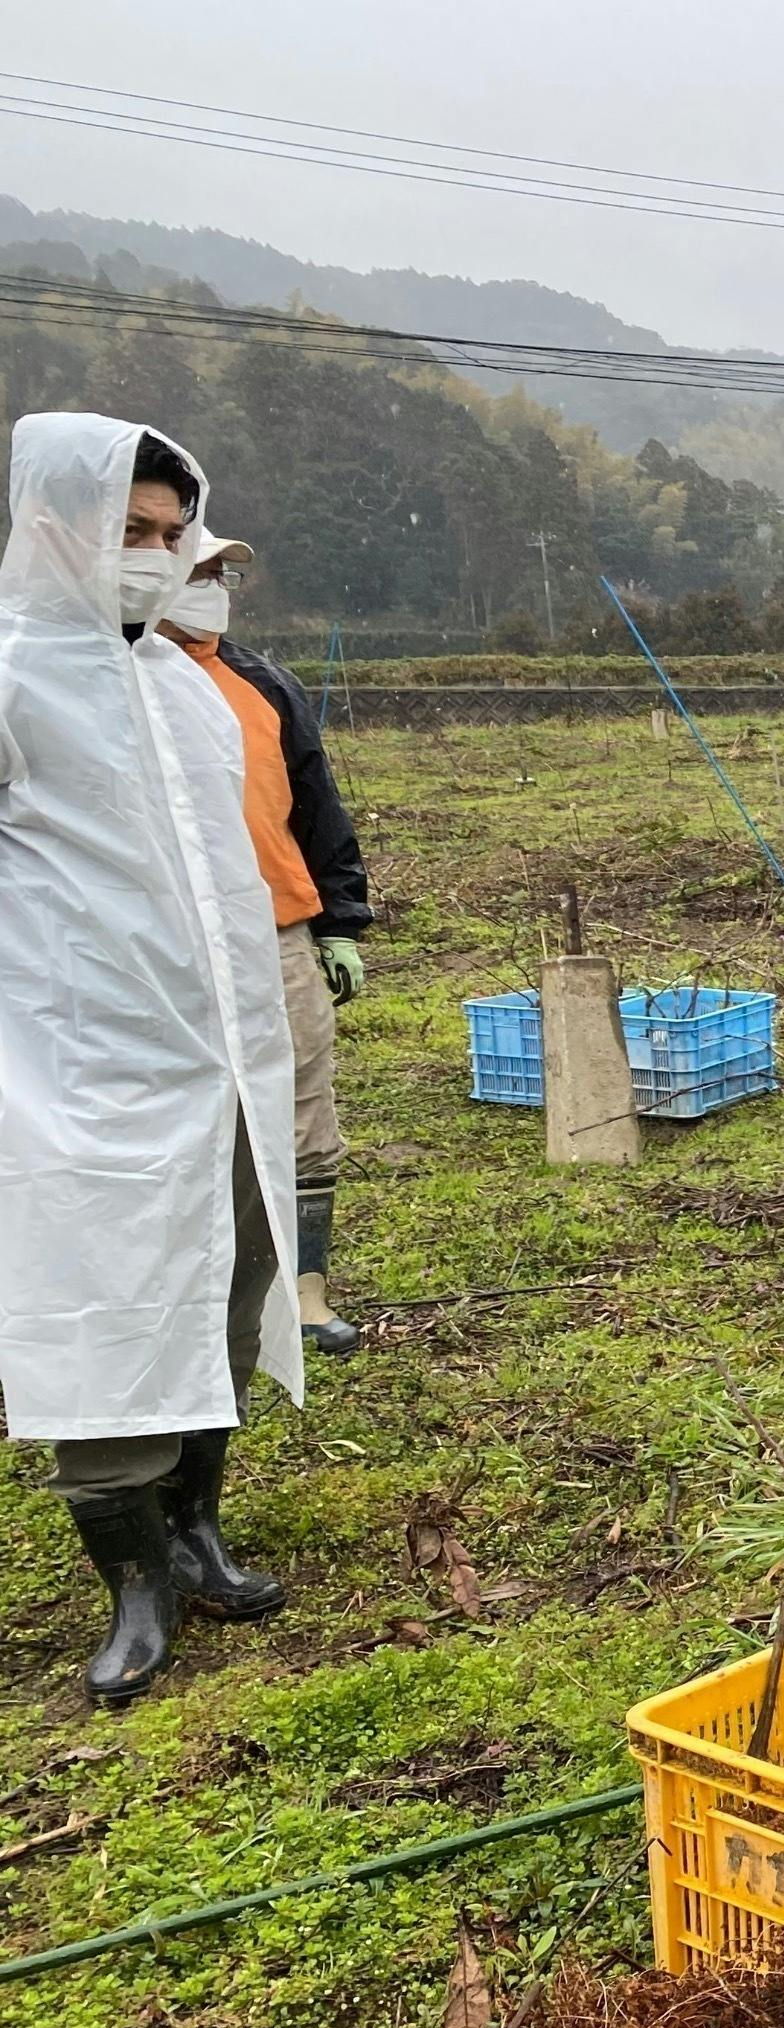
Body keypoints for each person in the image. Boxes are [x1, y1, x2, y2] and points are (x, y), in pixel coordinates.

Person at [0, 416, 303, 1702]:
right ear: (53, 526)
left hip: (224, 1054)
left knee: (225, 1287)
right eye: (130, 533)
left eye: (169, 534)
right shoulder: (14, 677)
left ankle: (196, 1531)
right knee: (108, 1298)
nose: (154, 555)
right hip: (84, 1059)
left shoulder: (181, 681)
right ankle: (130, 1582)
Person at [155, 527, 374, 1353]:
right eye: (196, 570)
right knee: (185, 1119)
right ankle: (196, 1299)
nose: (211, 586)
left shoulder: (261, 684)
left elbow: (317, 807)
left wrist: (339, 922)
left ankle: (305, 1294)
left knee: (303, 1113)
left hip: (277, 932)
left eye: (222, 574)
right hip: (164, 941)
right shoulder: (114, 681)